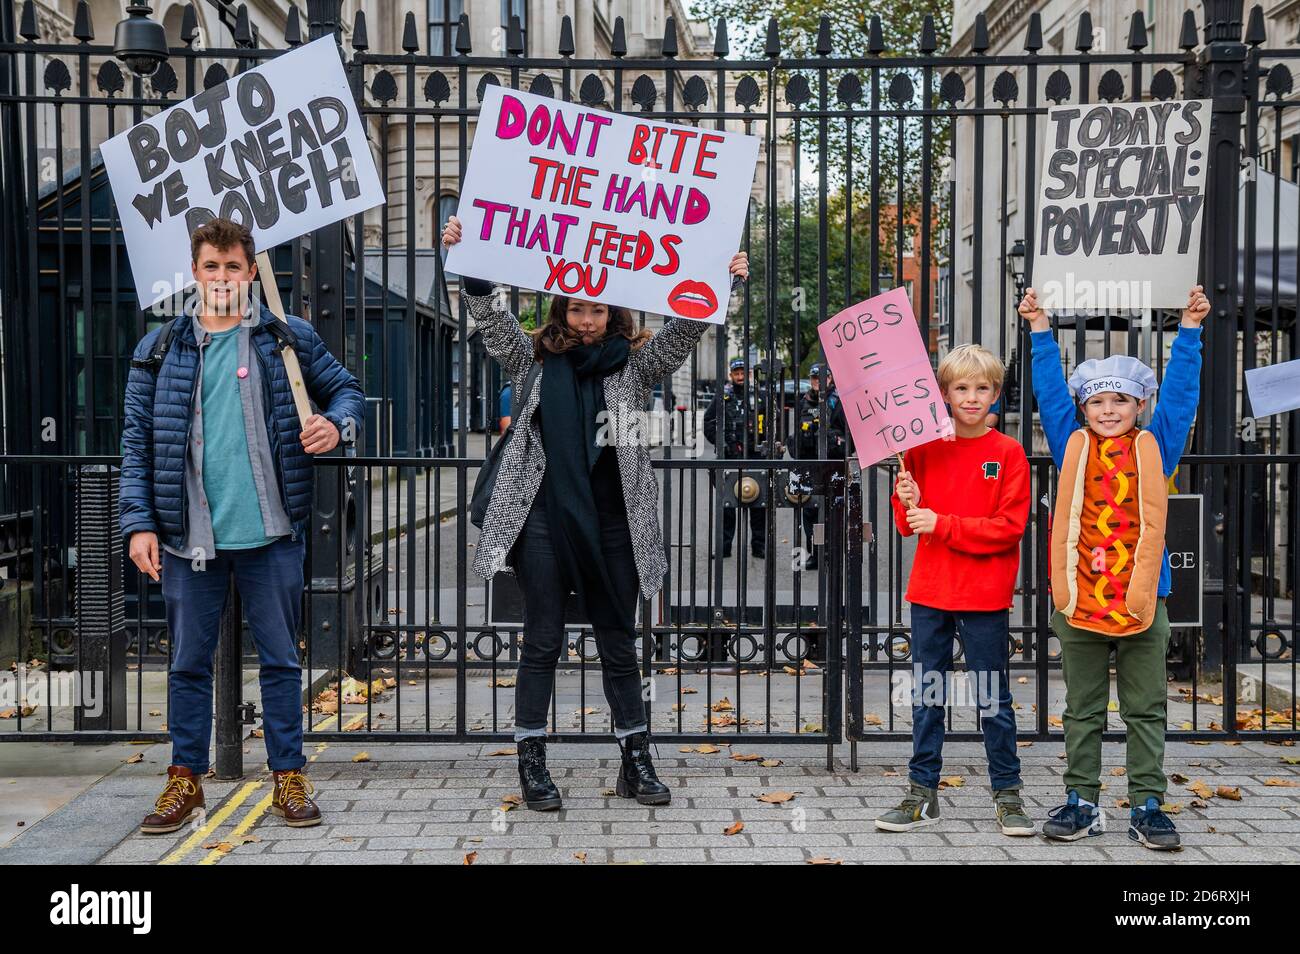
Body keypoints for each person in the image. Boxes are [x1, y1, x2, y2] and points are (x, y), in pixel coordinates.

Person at [443, 214, 748, 810]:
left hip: (616, 523)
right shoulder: (532, 359)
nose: (587, 322)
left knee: (617, 642)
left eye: (599, 312)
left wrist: (723, 278)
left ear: (615, 315)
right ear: (561, 312)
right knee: (542, 641)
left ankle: (637, 759)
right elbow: (488, 314)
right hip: (544, 521)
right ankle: (532, 762)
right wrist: (467, 253)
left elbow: (684, 331)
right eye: (578, 310)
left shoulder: (635, 365)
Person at [120, 218, 365, 834]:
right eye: (212, 267)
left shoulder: (286, 338)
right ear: (194, 272)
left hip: (272, 533)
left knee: (282, 660)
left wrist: (336, 427)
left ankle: (288, 774)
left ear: (250, 271)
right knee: (187, 664)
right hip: (187, 535)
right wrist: (138, 523)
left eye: (234, 267)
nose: (223, 278)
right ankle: (185, 781)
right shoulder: (158, 350)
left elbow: (349, 392)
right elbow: (136, 446)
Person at [1021, 284, 1209, 851]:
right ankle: (1082, 800)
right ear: (1084, 409)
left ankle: (1148, 804)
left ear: (1138, 407)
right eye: (1098, 403)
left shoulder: (1158, 445)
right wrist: (1038, 330)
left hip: (1143, 600)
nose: (1108, 411)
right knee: (1081, 710)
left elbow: (1182, 397)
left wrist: (1191, 331)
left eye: (1120, 402)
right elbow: (1049, 394)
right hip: (1079, 599)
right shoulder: (1068, 442)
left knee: (1146, 709)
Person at [875, 344, 1034, 836]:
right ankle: (923, 793)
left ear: (995, 394)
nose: (971, 397)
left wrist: (939, 521)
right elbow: (907, 525)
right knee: (927, 695)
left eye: (981, 388)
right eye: (961, 388)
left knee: (993, 697)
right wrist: (906, 501)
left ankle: (1007, 794)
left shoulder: (1008, 453)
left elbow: (1007, 528)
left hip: (984, 593)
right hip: (931, 589)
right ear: (943, 394)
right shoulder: (919, 449)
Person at [704, 358, 767, 558]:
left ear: (749, 374)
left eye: (743, 373)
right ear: (731, 375)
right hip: (730, 455)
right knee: (727, 504)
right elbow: (708, 421)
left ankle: (759, 546)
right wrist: (719, 441)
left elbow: (774, 421)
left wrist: (771, 445)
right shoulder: (723, 396)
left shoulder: (760, 395)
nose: (740, 377)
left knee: (759, 503)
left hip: (756, 456)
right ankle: (724, 547)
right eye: (736, 373)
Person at [787, 362, 845, 570]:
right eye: (814, 378)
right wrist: (803, 440)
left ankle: (832, 552)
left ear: (830, 379)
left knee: (832, 511)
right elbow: (792, 440)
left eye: (823, 378)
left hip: (832, 466)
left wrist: (830, 440)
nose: (818, 382)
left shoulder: (838, 403)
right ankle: (816, 553)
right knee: (810, 512)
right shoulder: (803, 402)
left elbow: (849, 441)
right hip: (808, 466)